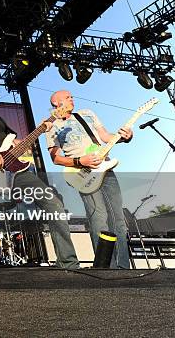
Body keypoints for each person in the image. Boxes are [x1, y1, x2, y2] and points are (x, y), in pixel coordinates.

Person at [0, 75, 79, 269]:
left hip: (19, 172)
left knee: (54, 205)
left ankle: (68, 262)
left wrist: (42, 129)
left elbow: (17, 145)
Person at [47, 90, 132, 269]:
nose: (72, 98)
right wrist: (80, 161)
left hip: (105, 168)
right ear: (56, 102)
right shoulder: (51, 125)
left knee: (118, 219)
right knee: (99, 217)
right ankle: (106, 267)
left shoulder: (87, 114)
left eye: (72, 96)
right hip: (82, 173)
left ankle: (124, 267)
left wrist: (123, 137)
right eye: (67, 97)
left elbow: (105, 137)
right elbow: (55, 158)